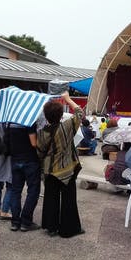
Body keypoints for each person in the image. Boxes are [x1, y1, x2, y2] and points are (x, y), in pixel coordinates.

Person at [37, 92, 85, 238]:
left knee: (50, 198)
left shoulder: (42, 133)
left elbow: (40, 152)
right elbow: (79, 112)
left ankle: (51, 227)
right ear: (61, 114)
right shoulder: (67, 126)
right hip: (67, 169)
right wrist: (68, 99)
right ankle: (68, 229)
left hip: (50, 170)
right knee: (68, 199)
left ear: (46, 116)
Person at [8, 121, 41, 232]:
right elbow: (33, 143)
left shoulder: (11, 122)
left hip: (15, 159)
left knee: (15, 191)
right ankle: (26, 222)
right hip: (30, 160)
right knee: (33, 191)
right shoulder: (29, 121)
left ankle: (15, 222)